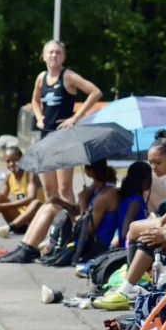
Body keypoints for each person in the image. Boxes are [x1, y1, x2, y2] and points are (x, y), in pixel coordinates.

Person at [94, 131, 166, 309]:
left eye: (157, 162)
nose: (153, 167)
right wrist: (162, 221)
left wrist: (164, 234)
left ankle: (124, 292)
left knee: (150, 238)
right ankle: (137, 280)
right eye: (151, 163)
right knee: (135, 229)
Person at [0, 159, 119, 264]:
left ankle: (28, 250)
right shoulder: (97, 186)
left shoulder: (105, 196)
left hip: (92, 245)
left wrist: (83, 203)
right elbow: (76, 210)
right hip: (85, 237)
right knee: (47, 205)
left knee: (51, 209)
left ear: (88, 170)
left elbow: (87, 230)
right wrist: (59, 201)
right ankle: (24, 246)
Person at [31, 40, 102, 206]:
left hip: (65, 138)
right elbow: (35, 101)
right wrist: (39, 118)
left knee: (64, 189)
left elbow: (95, 92)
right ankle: (55, 224)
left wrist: (75, 118)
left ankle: (69, 226)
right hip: (46, 138)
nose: (54, 55)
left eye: (58, 52)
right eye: (50, 52)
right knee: (49, 189)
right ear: (43, 57)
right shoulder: (41, 77)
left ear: (63, 57)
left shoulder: (68, 76)